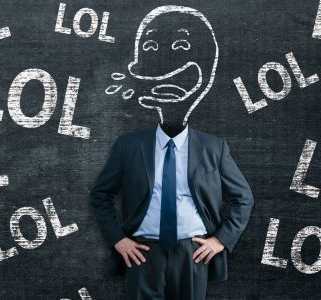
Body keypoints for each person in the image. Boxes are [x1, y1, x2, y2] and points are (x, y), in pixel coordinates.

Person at [91, 5, 254, 300]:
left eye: (181, 46)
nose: (166, 59)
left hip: (193, 253)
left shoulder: (213, 148)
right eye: (151, 48)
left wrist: (220, 240)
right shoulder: (129, 146)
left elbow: (243, 198)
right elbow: (100, 195)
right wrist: (118, 240)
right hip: (142, 253)